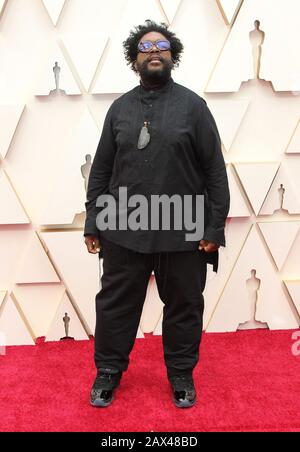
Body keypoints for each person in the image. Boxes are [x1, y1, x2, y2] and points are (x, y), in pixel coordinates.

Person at [84, 20, 230, 409]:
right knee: (116, 305)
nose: (154, 51)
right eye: (145, 47)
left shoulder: (194, 107)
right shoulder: (119, 109)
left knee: (184, 305)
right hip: (124, 227)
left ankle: (181, 373)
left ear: (172, 56)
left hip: (183, 228)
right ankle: (109, 372)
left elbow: (215, 170)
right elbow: (101, 170)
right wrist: (93, 220)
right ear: (134, 59)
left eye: (161, 45)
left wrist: (213, 226)